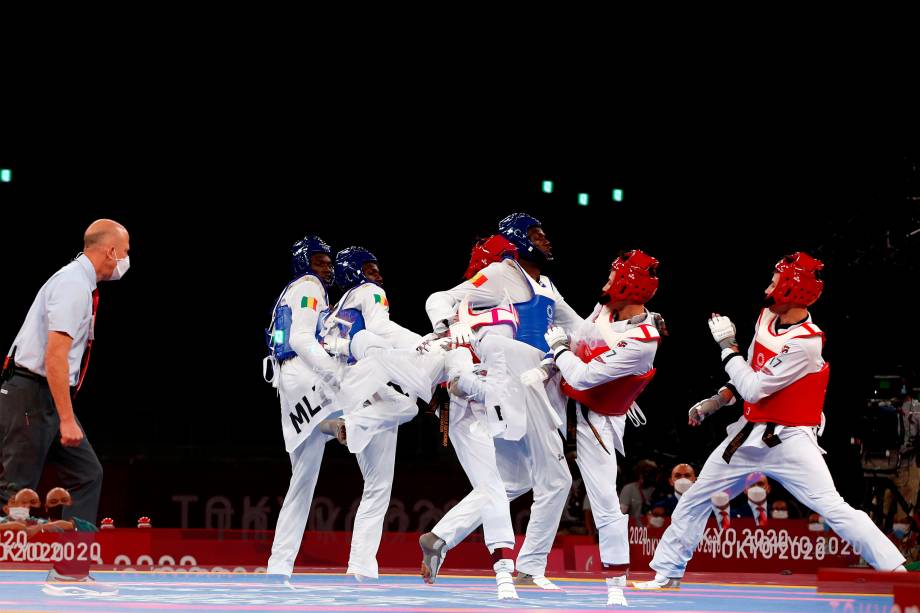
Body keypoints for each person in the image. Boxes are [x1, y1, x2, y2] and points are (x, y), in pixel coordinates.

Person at [636, 252, 907, 590]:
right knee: (695, 497)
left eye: (775, 283)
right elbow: (748, 370)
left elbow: (754, 386)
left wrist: (725, 348)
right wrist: (717, 400)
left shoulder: (806, 342)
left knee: (833, 507)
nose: (768, 288)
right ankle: (667, 573)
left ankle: (897, 573)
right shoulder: (766, 317)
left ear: (792, 291)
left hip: (791, 440)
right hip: (749, 435)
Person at [420, 213, 584, 591]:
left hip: (534, 384)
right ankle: (528, 568)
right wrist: (446, 328)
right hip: (514, 383)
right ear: (518, 240)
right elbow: (441, 298)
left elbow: (579, 327)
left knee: (513, 479)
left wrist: (627, 324)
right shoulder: (500, 274)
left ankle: (440, 537)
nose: (546, 240)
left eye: (545, 233)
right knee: (556, 479)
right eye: (537, 234)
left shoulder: (546, 286)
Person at [1, 219, 129, 596]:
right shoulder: (73, 285)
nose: (125, 260)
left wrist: (62, 413)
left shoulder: (80, 284)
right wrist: (67, 418)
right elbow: (55, 357)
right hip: (32, 395)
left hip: (44, 398)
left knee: (88, 475)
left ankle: (70, 572)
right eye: (125, 252)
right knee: (12, 499)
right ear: (109, 251)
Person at [542, 249, 662, 606]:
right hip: (561, 396)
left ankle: (616, 583)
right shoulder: (607, 308)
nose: (606, 283)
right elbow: (583, 336)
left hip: (597, 418)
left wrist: (560, 349)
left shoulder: (644, 341)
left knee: (606, 501)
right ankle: (527, 567)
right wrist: (548, 297)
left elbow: (583, 375)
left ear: (627, 286)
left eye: (613, 277)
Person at [265, 235, 348, 582]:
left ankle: (278, 566)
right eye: (319, 261)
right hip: (304, 371)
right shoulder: (309, 286)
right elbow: (301, 338)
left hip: (289, 381)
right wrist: (335, 374)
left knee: (302, 479)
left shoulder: (294, 290)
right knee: (366, 396)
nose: (326, 268)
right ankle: (338, 423)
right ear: (304, 263)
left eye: (329, 263)